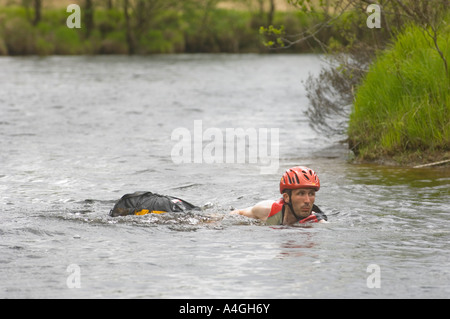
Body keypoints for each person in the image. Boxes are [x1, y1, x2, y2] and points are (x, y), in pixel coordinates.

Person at [231, 166, 328, 225]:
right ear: (286, 197)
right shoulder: (267, 210)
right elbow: (237, 214)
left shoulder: (316, 222)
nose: (307, 200)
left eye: (311, 194)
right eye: (301, 193)